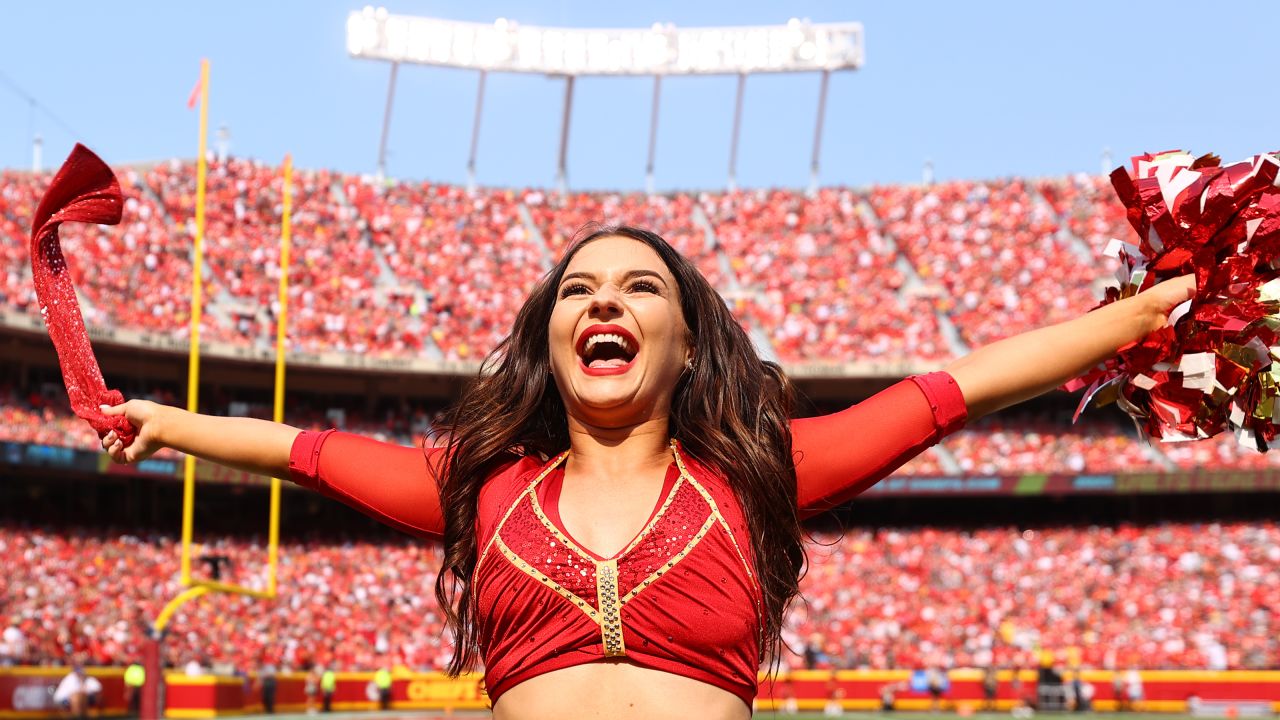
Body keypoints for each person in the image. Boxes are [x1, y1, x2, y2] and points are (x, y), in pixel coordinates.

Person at [99, 226, 1196, 720]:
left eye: (639, 288)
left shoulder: (759, 473)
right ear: (551, 339)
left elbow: (955, 389)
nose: (604, 303)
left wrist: (1143, 315)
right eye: (577, 291)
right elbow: (312, 455)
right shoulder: (484, 490)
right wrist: (164, 421)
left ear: (685, 342)